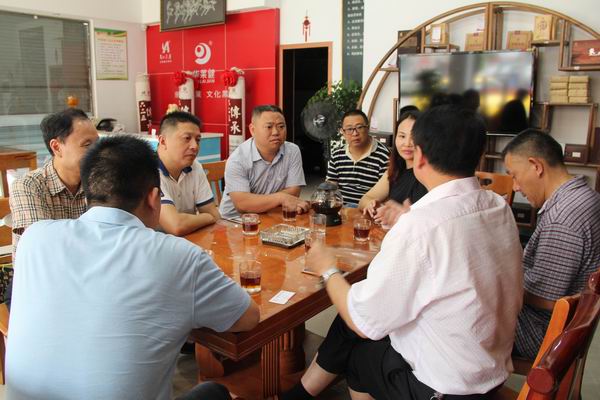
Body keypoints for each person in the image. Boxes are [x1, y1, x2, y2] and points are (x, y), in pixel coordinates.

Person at [282, 105, 523, 400]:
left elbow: (361, 321)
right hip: (489, 365)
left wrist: (327, 268)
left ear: (419, 156)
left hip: (447, 388)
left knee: (360, 355)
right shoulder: (498, 206)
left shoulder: (422, 225)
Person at [6, 135, 259, 400]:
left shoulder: (35, 238)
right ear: (153, 198)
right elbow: (247, 318)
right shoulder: (179, 256)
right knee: (216, 393)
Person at [502, 129, 600, 360]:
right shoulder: (587, 196)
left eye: (514, 176)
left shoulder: (562, 219)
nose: (515, 187)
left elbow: (545, 298)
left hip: (546, 333)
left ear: (536, 166)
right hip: (571, 327)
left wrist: (498, 282)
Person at [9, 108, 98, 254]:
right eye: (87, 145)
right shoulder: (28, 186)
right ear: (57, 147)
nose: (98, 151)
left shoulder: (99, 181)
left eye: (98, 143)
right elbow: (44, 246)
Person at [219, 105, 309, 219]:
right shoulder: (238, 159)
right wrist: (281, 198)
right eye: (269, 127)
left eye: (281, 126)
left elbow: (294, 192)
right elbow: (243, 205)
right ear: (252, 130)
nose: (276, 132)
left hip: (270, 215)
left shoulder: (292, 151)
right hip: (234, 221)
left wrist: (261, 202)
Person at [358, 110, 426, 226]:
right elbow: (364, 200)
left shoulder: (429, 175)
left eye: (414, 137)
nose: (407, 143)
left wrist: (401, 215)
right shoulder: (396, 170)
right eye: (402, 136)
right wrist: (373, 205)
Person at [156, 111, 220, 236]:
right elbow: (176, 226)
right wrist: (207, 217)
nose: (194, 146)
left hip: (189, 240)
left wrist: (208, 216)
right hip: (154, 245)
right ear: (163, 141)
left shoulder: (194, 166)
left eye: (198, 140)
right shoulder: (148, 171)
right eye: (187, 138)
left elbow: (214, 214)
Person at [326, 110, 390, 206]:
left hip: (368, 208)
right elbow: (331, 184)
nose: (355, 133)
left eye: (359, 127)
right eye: (349, 129)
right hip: (341, 208)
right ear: (343, 132)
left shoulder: (383, 155)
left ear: (367, 128)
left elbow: (385, 193)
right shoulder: (337, 154)